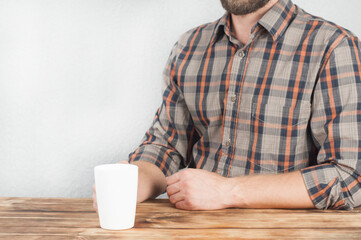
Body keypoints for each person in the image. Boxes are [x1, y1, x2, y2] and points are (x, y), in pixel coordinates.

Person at [93, 0, 361, 211]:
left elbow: (350, 177)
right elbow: (168, 145)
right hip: (195, 229)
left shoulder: (333, 46)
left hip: (285, 231)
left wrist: (228, 192)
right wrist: (136, 180)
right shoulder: (190, 46)